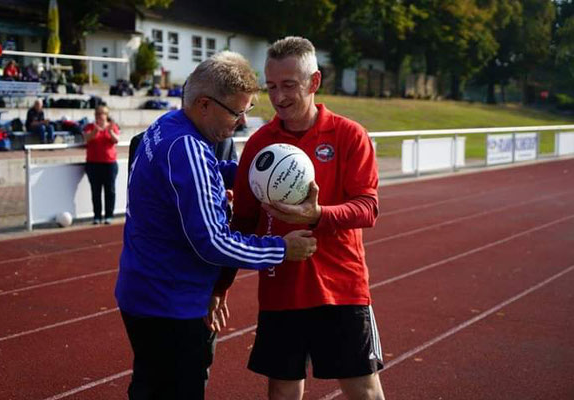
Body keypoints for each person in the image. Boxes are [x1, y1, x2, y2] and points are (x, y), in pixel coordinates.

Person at [115, 50, 317, 400]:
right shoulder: (188, 147)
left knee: (148, 387)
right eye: (237, 112)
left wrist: (254, 174)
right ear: (205, 105)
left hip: (143, 292)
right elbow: (214, 243)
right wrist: (282, 249)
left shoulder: (166, 126)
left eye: (247, 112)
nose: (240, 123)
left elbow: (201, 171)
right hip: (171, 304)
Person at [228, 36, 385, 400]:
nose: (279, 97)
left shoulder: (349, 136)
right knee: (282, 392)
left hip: (342, 290)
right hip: (281, 289)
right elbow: (243, 221)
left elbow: (368, 207)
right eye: (270, 87)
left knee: (363, 390)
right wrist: (220, 287)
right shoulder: (259, 144)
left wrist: (318, 215)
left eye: (288, 86)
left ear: (314, 82)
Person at [82, 105, 119, 225]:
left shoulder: (112, 126)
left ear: (106, 115)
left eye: (102, 114)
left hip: (109, 163)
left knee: (110, 190)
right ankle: (97, 216)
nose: (100, 116)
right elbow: (87, 138)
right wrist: (95, 131)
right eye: (98, 114)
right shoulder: (90, 127)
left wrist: (110, 132)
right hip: (93, 164)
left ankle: (109, 215)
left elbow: (116, 140)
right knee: (95, 191)